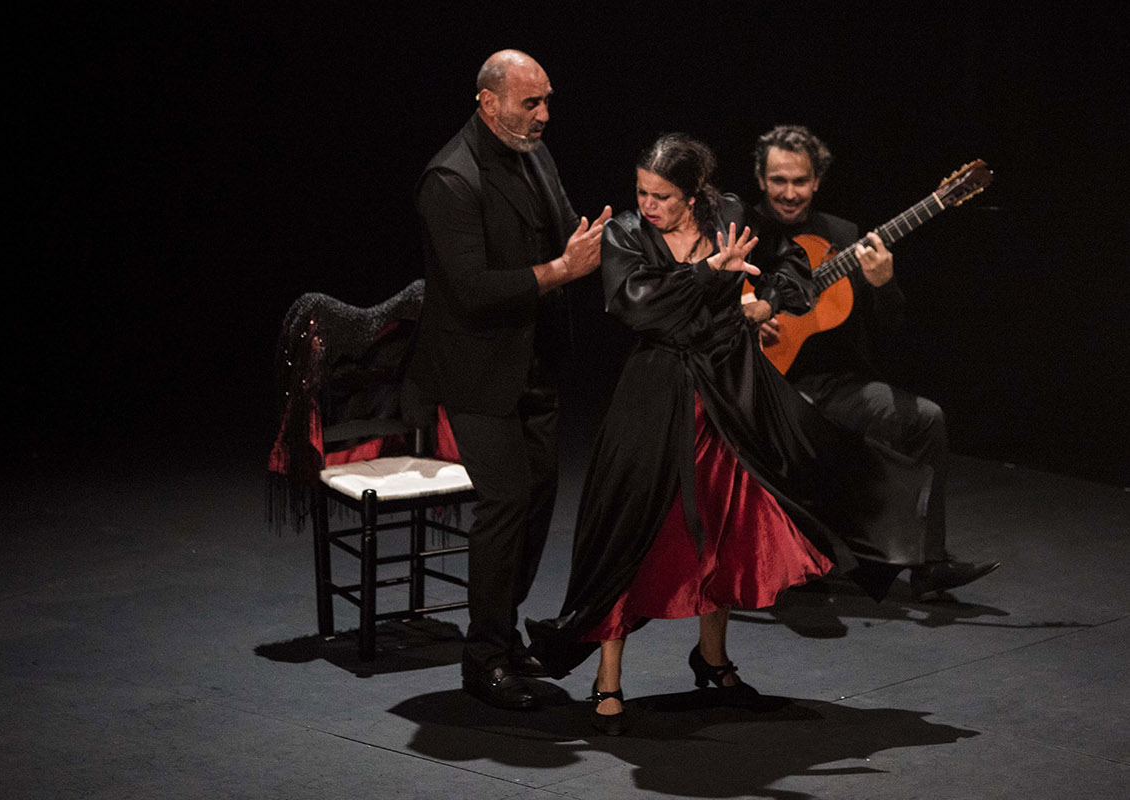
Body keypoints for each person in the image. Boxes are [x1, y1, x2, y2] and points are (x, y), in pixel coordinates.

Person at [527, 133, 932, 736]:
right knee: (629, 527)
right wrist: (706, 273)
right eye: (642, 192)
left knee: (722, 524)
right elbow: (638, 305)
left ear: (693, 196)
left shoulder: (731, 217)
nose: (649, 204)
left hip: (727, 388)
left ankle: (712, 660)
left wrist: (767, 301)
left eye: (662, 195)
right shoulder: (625, 234)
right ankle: (607, 679)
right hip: (656, 392)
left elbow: (795, 259)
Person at [408, 49, 612, 710]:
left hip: (536, 362)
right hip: (477, 371)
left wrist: (602, 243)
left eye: (547, 99)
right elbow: (469, 290)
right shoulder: (450, 177)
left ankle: (501, 630)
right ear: (488, 101)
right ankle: (485, 656)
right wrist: (561, 271)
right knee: (504, 501)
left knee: (538, 499)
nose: (545, 114)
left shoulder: (534, 153)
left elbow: (564, 228)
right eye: (532, 102)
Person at [748, 124, 1000, 600]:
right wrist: (746, 321)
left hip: (835, 387)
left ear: (817, 180)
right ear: (760, 179)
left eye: (800, 181)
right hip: (763, 387)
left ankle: (929, 564)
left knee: (926, 419)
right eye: (778, 180)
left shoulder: (843, 237)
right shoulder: (741, 229)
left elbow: (890, 331)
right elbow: (701, 300)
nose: (788, 192)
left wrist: (884, 284)